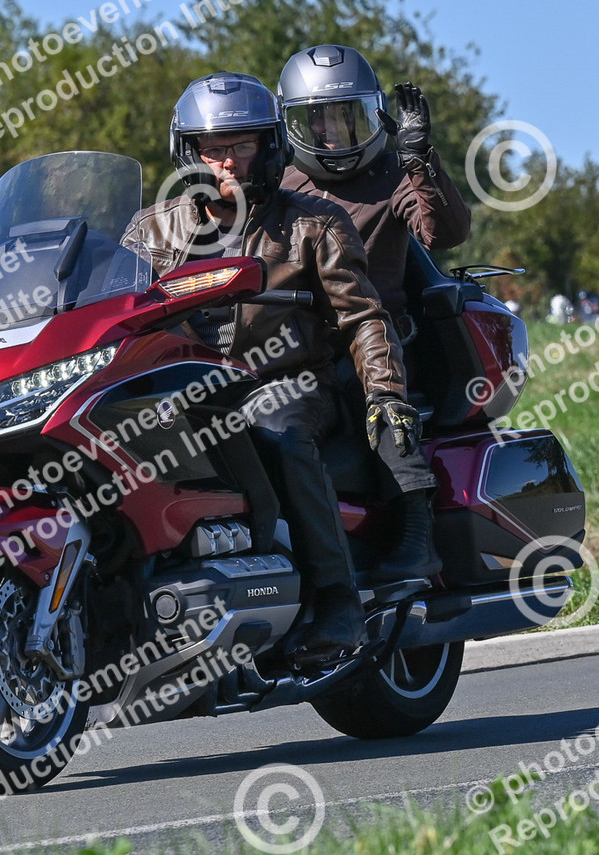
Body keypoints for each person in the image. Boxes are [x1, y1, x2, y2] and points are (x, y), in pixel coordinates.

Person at [122, 72, 421, 658]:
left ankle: (336, 598)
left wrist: (386, 394)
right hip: (185, 388)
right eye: (214, 148)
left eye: (242, 145)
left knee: (274, 428)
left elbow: (363, 317)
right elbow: (104, 302)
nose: (227, 162)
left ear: (269, 147)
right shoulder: (149, 230)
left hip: (289, 382)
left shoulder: (313, 222)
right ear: (189, 152)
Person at [275, 44, 472, 580]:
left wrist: (419, 159)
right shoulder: (283, 185)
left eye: (348, 115)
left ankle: (417, 532)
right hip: (296, 339)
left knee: (371, 389)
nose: (332, 131)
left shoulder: (393, 175)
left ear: (373, 114)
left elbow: (445, 233)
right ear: (291, 124)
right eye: (316, 119)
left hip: (377, 337)